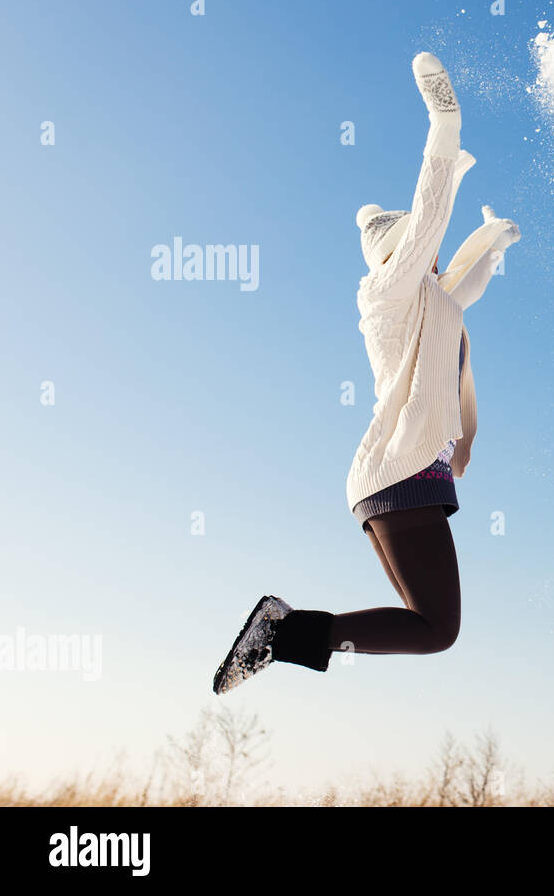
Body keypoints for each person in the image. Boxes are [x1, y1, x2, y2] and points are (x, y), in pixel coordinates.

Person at [213, 51, 520, 694]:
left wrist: (492, 242)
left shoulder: (431, 305)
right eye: (420, 247)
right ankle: (281, 631)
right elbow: (430, 216)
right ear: (397, 253)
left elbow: (466, 290)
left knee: (432, 625)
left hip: (401, 475)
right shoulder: (386, 292)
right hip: (401, 472)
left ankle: (282, 631)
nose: (433, 254)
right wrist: (445, 128)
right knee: (437, 627)